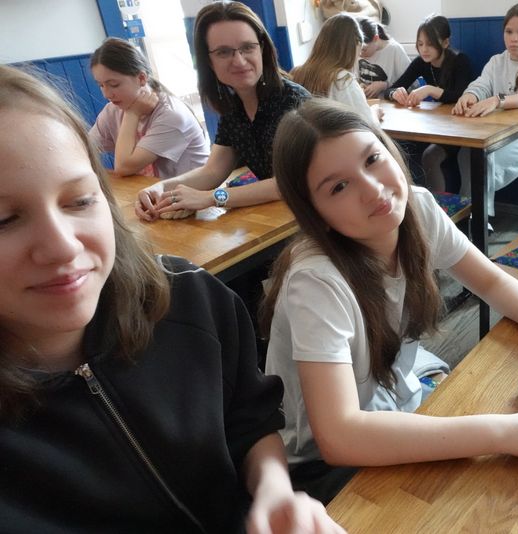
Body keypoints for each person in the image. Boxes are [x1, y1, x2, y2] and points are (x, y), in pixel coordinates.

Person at [0, 65, 342, 534]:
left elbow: (248, 420)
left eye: (79, 201)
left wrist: (275, 491)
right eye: (4, 219)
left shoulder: (188, 298)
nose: (62, 246)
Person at [262, 99, 518, 504]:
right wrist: (510, 432)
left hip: (384, 400)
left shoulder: (417, 209)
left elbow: (491, 281)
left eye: (372, 159)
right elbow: (339, 437)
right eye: (338, 187)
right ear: (315, 214)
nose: (372, 189)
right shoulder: (315, 281)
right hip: (319, 463)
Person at [135, 1, 309, 222]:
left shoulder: (293, 101)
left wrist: (212, 198)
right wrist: (160, 187)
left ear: (262, 49)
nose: (239, 60)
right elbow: (212, 171)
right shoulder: (234, 108)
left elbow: (289, 184)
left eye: (248, 47)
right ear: (209, 62)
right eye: (224, 52)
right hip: (283, 218)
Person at [451, 2, 518, 213]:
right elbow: (481, 84)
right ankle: (473, 214)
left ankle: (480, 217)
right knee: (467, 152)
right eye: (509, 32)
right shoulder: (497, 61)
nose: (514, 38)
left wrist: (497, 100)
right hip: (496, 132)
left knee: (486, 156)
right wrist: (469, 95)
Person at [89, 37, 209, 178]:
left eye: (114, 84)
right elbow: (83, 149)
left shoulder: (171, 115)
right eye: (101, 85)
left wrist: (132, 114)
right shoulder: (113, 110)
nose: (106, 94)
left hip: (190, 190)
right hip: (151, 190)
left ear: (141, 78)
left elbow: (124, 167)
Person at [384, 14, 472, 192]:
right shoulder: (421, 62)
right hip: (434, 126)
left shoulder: (460, 60)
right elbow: (392, 88)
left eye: (430, 44)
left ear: (445, 43)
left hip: (460, 127)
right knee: (401, 145)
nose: (424, 49)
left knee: (431, 156)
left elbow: (461, 96)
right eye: (420, 44)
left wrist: (430, 90)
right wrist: (395, 93)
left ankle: (442, 203)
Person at [291, 14, 382, 126]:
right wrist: (374, 112)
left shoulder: (296, 73)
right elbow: (367, 126)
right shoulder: (343, 79)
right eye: (359, 52)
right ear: (355, 45)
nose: (357, 58)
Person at [357, 17, 410, 98]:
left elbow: (409, 82)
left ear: (376, 38)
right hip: (366, 102)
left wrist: (384, 85)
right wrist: (360, 86)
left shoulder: (394, 49)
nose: (360, 54)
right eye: (358, 50)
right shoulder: (358, 50)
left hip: (389, 102)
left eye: (364, 50)